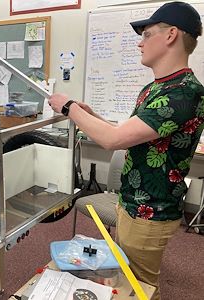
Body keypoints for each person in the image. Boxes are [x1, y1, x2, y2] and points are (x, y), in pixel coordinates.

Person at [48, 2, 204, 299]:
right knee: (126, 273)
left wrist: (68, 108)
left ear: (171, 35)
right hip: (131, 202)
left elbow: (112, 141)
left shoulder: (183, 92)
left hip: (152, 212)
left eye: (146, 34)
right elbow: (127, 135)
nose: (139, 42)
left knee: (140, 286)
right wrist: (91, 116)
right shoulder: (156, 88)